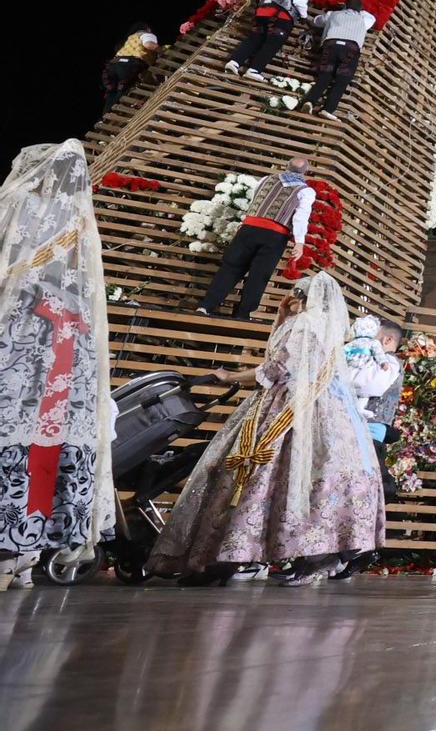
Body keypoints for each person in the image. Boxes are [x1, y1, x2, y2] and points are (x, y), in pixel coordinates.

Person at [147, 274, 385, 586]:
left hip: (288, 406)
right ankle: (307, 556)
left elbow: (276, 368)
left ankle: (228, 556)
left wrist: (229, 376)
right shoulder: (327, 326)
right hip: (323, 408)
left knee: (252, 476)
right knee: (312, 480)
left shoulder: (304, 323)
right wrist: (282, 318)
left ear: (301, 297)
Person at [0, 142, 117, 592]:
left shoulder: (19, 204)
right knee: (46, 440)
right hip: (68, 333)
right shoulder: (76, 221)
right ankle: (27, 550)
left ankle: (19, 550)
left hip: (27, 328)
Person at [329, 315, 405, 580]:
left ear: (387, 340)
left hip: (369, 433)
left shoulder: (389, 362)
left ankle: (355, 551)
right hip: (353, 429)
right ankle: (345, 551)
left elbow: (364, 384)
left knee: (358, 491)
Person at [194, 158, 316, 319]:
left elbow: (255, 202)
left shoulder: (267, 179)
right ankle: (243, 314)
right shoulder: (305, 191)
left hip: (249, 228)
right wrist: (299, 243)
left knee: (230, 268)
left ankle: (206, 306)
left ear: (286, 167)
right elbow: (300, 217)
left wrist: (245, 222)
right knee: (259, 276)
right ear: (305, 172)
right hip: (274, 234)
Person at [224, 0, 328, 82]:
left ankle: (234, 62)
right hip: (280, 17)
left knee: (254, 38)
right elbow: (298, 2)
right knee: (272, 44)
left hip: (262, 12)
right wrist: (304, 17)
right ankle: (254, 70)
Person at [300, 0, 377, 120]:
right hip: (350, 48)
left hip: (331, 45)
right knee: (342, 81)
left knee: (324, 77)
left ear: (345, 5)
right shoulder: (365, 18)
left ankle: (309, 101)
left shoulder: (332, 14)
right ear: (361, 8)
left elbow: (317, 21)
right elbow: (372, 18)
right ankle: (327, 109)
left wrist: (341, 9)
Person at [100, 22, 161, 114]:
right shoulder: (146, 34)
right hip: (129, 65)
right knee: (124, 89)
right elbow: (148, 44)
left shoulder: (131, 38)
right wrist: (161, 49)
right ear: (147, 28)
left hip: (112, 66)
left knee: (112, 93)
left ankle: (105, 117)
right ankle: (116, 112)